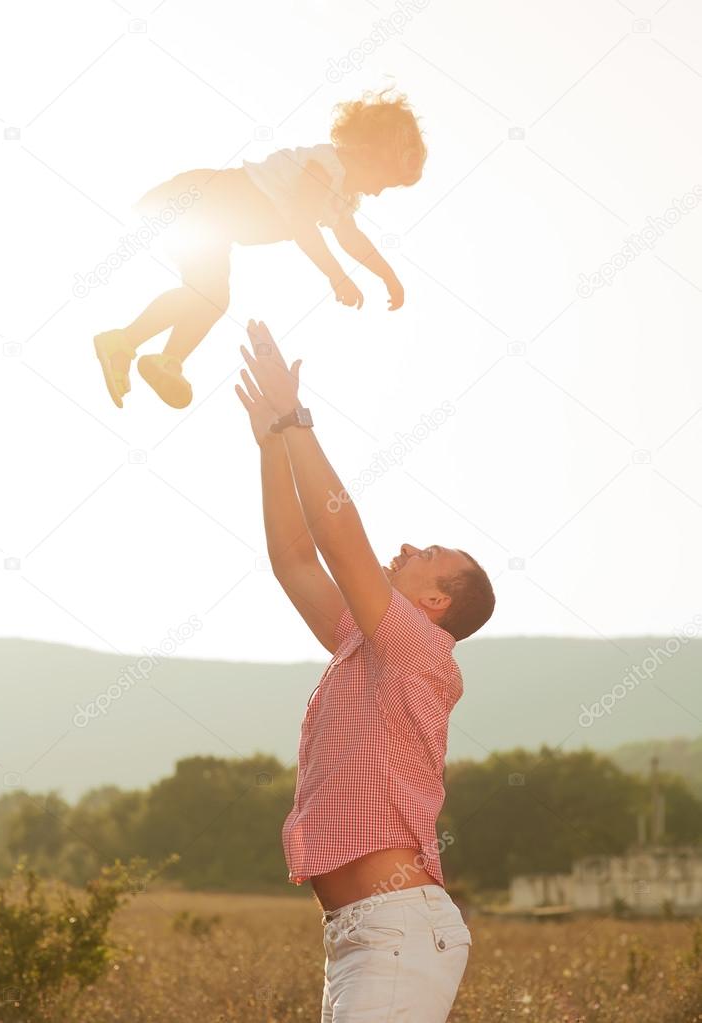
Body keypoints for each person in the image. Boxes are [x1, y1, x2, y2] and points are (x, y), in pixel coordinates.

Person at [236, 320, 496, 1022]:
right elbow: (296, 558)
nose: (408, 543)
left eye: (429, 551)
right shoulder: (364, 640)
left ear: (436, 601)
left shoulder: (420, 649)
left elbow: (338, 533)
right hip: (361, 936)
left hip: (397, 931)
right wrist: (270, 445)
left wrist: (295, 421)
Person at [94, 88, 426, 409]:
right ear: (368, 154)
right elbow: (302, 226)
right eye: (385, 180)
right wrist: (337, 276)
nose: (380, 192)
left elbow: (351, 237)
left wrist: (388, 277)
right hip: (201, 203)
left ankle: (163, 360)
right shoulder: (322, 169)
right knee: (207, 293)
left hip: (214, 222)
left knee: (212, 297)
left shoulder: (342, 196)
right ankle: (124, 341)